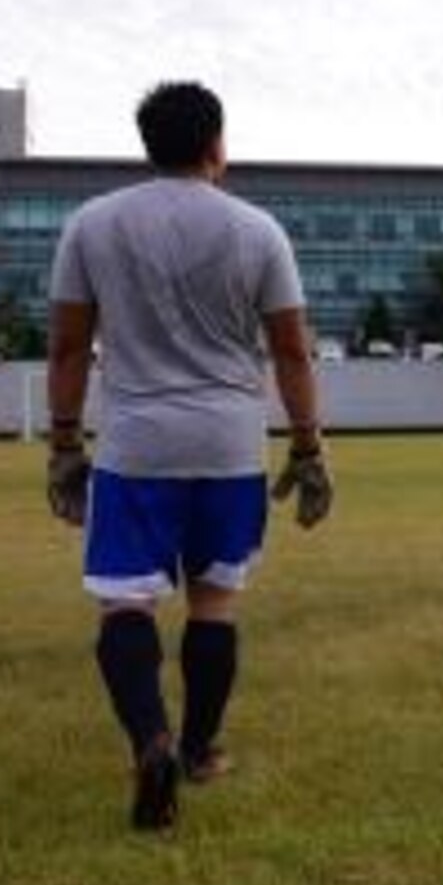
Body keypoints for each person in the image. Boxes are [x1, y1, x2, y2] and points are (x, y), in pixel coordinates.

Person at [46, 80, 331, 834]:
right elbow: (292, 351)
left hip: (136, 444)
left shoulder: (92, 224)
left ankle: (152, 741)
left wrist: (65, 444)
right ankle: (200, 750)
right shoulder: (259, 230)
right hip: (230, 444)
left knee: (125, 602)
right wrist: (308, 446)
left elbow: (70, 344)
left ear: (148, 145)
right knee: (214, 602)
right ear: (217, 146)